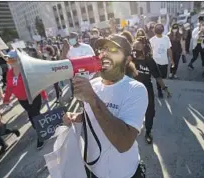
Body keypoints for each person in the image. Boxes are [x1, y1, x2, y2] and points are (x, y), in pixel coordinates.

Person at [63, 34, 148, 178]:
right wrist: (77, 117)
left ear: (127, 60)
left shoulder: (136, 89)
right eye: (103, 49)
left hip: (124, 172)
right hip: (93, 169)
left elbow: (123, 142)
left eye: (114, 50)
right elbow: (90, 116)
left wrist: (93, 99)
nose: (105, 54)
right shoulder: (93, 84)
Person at [3, 50, 48, 149]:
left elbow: (38, 83)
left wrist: (44, 95)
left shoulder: (28, 69)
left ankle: (41, 134)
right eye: (8, 59)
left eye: (11, 59)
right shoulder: (9, 73)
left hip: (34, 96)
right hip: (22, 100)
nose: (9, 61)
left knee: (33, 115)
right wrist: (6, 98)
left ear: (19, 59)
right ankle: (45, 126)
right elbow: (9, 87)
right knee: (34, 114)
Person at [132, 36, 171, 144]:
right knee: (133, 110)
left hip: (146, 88)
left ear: (144, 48)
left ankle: (148, 131)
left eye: (138, 48)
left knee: (150, 111)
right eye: (134, 48)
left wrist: (165, 88)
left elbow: (157, 77)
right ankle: (132, 129)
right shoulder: (131, 59)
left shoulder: (149, 60)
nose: (135, 50)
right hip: (132, 88)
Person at [149, 23, 174, 98]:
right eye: (158, 28)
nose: (159, 29)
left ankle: (161, 87)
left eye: (160, 28)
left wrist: (171, 60)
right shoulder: (152, 40)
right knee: (158, 77)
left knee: (162, 76)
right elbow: (150, 52)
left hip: (164, 61)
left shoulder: (166, 38)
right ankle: (159, 91)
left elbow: (169, 49)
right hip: (155, 62)